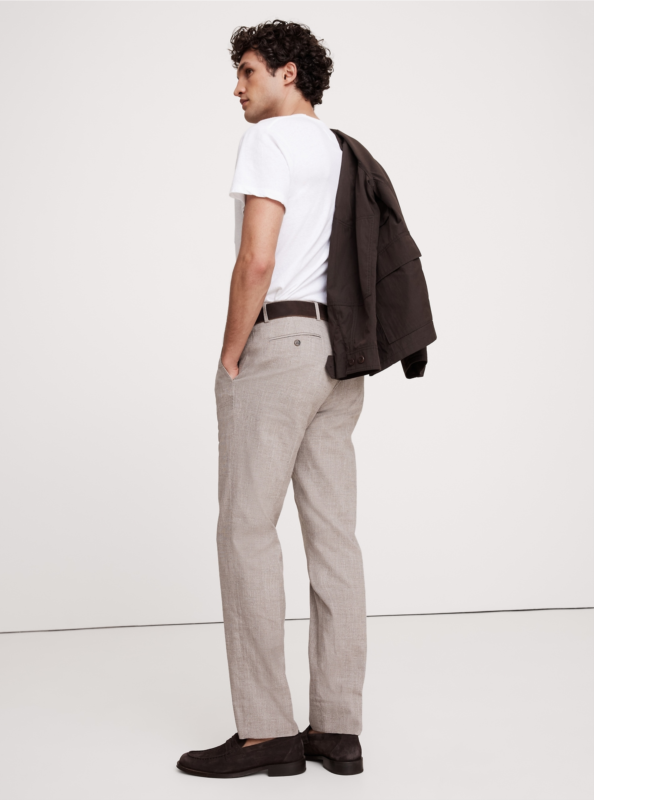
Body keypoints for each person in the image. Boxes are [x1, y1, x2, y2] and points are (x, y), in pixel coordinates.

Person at [177, 19, 436, 780]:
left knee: (245, 532)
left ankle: (266, 733)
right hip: (340, 352)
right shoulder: (341, 150)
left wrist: (231, 353)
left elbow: (257, 258)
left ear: (288, 74)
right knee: (334, 541)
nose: (237, 87)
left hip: (280, 345)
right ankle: (337, 729)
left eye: (248, 71)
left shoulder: (269, 141)